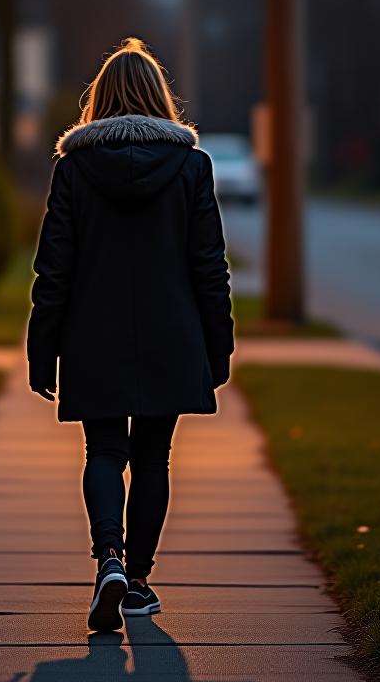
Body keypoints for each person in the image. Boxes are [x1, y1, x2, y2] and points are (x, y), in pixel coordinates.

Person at [27, 36, 234, 632]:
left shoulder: (74, 169)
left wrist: (44, 353)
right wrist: (218, 347)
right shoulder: (193, 168)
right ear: (158, 98)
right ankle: (139, 580)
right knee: (153, 458)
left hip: (94, 337)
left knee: (104, 453)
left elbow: (53, 269)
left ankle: (108, 562)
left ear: (100, 100)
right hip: (173, 336)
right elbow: (209, 267)